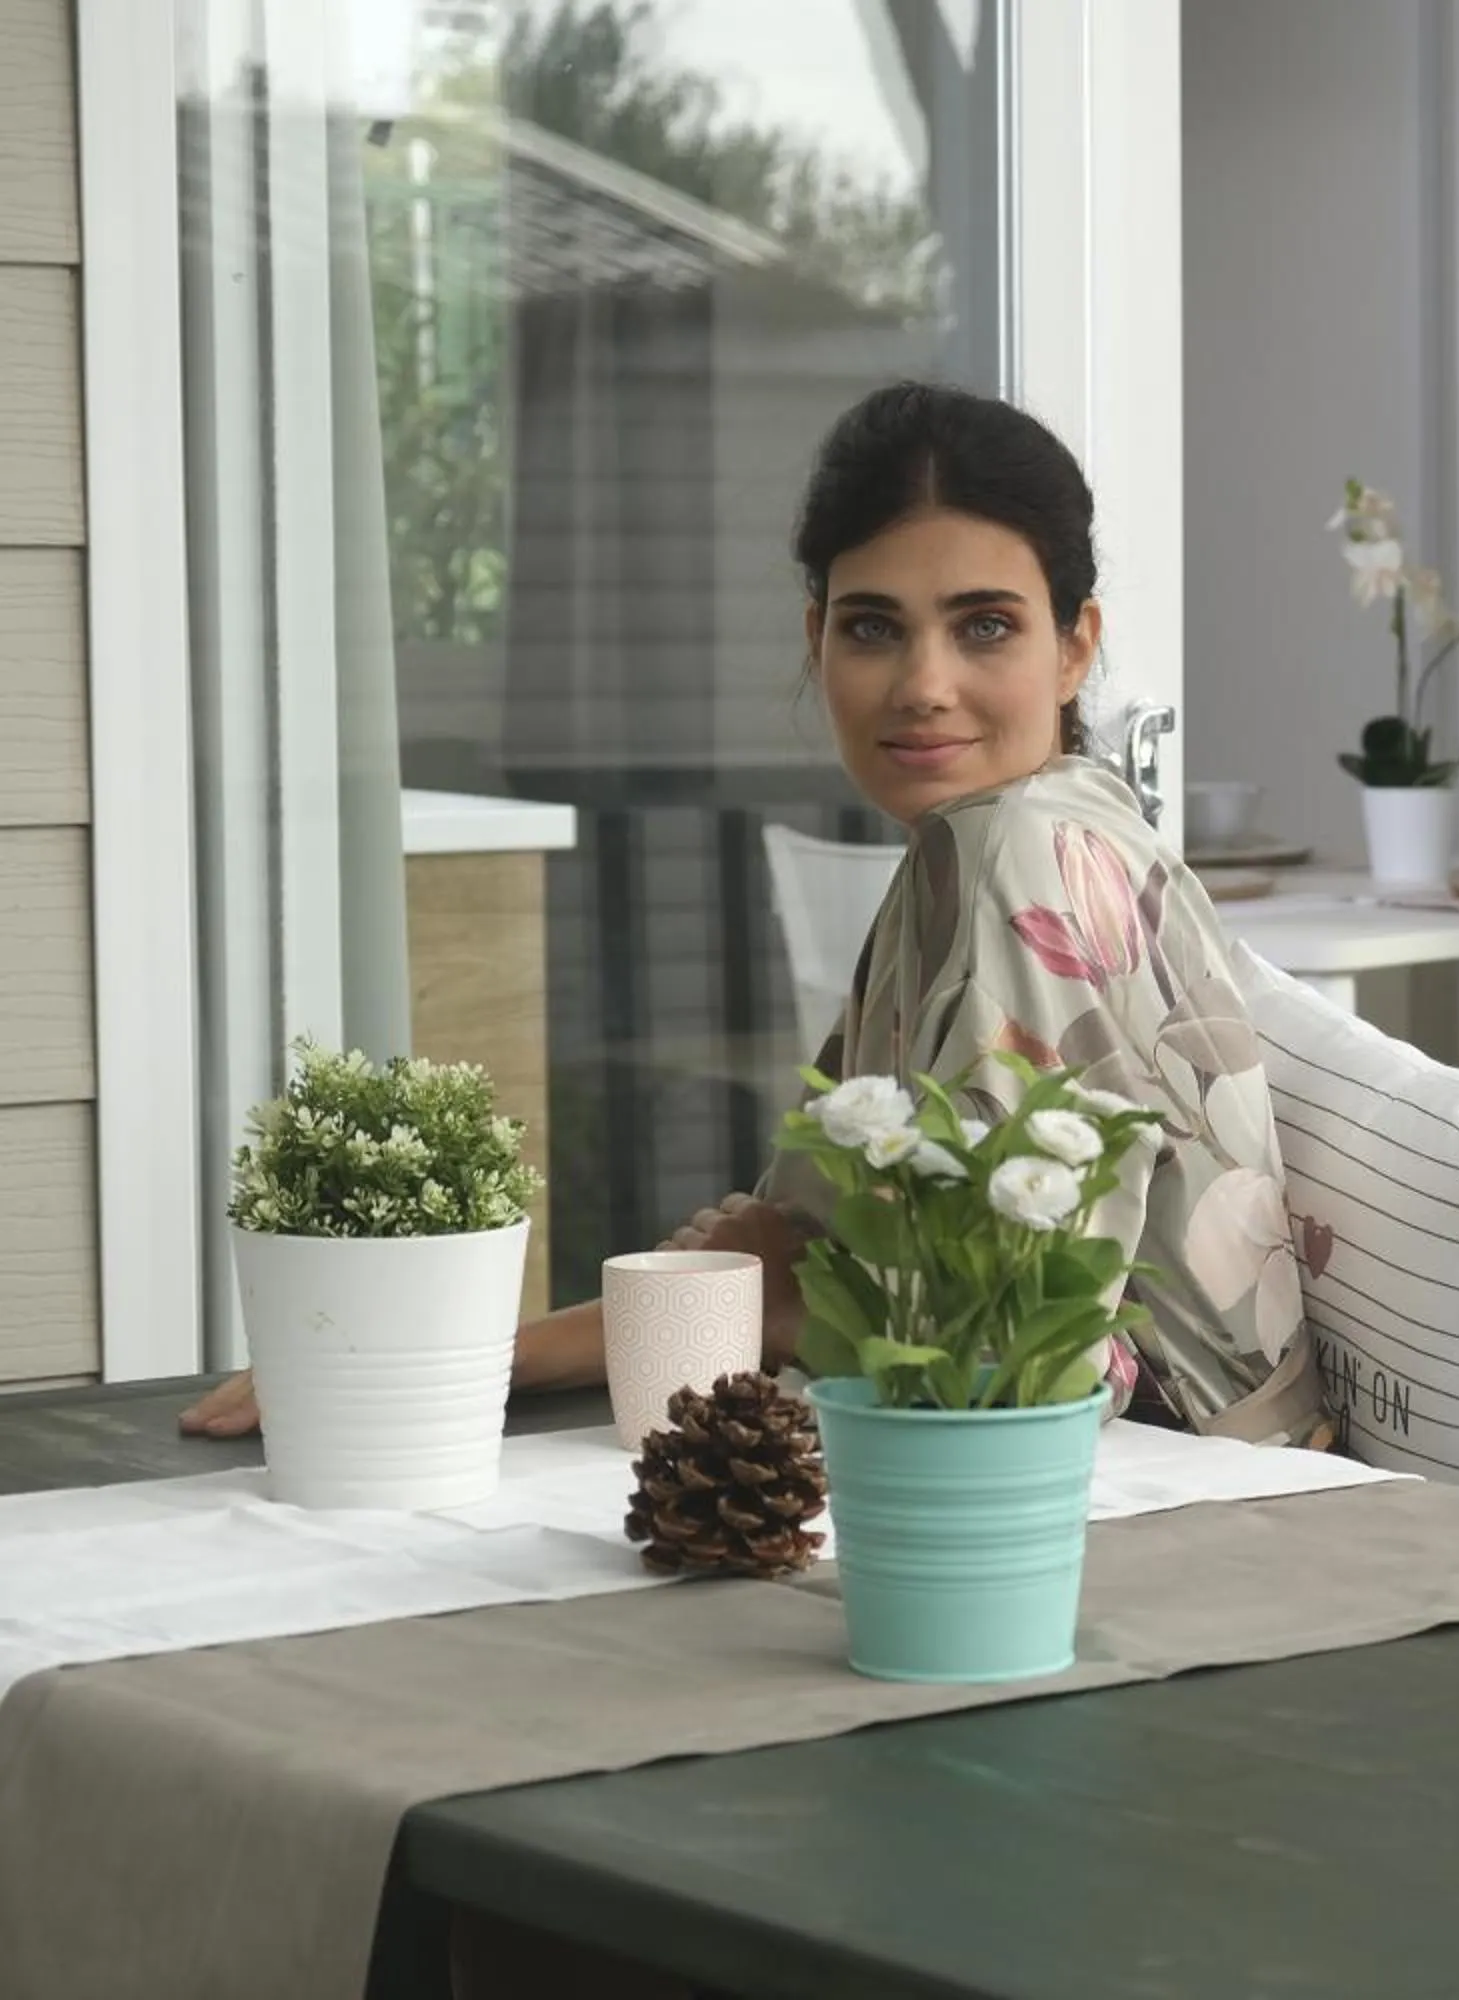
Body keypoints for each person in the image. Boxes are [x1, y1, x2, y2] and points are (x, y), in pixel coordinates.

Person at [184, 382, 1325, 1446]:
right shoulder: (988, 841)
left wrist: (771, 1298)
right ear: (816, 637)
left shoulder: (1028, 857)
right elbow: (797, 1267)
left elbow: (1002, 1355)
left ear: (1076, 644)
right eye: (874, 627)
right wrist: (445, 1359)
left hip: (1158, 1497)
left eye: (985, 626)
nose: (924, 682)